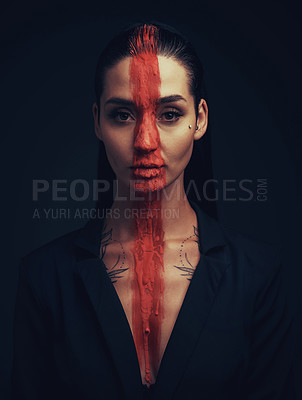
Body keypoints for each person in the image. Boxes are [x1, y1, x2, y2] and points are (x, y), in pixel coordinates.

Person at [11, 22, 295, 400]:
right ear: (97, 121)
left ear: (201, 119)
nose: (146, 142)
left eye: (170, 114)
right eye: (122, 115)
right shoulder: (45, 278)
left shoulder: (257, 276)